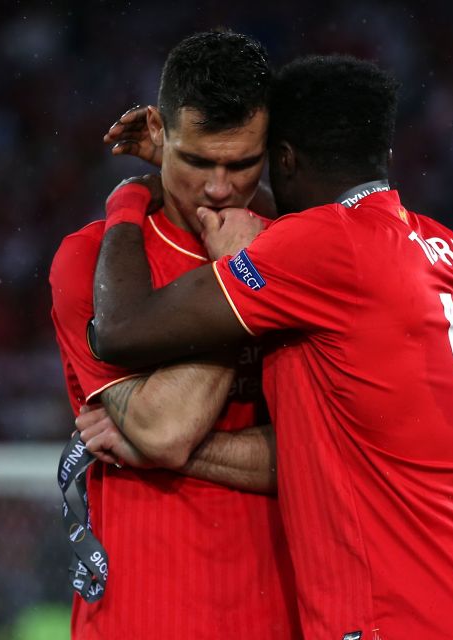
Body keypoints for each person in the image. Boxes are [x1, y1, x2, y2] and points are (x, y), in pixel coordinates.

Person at [85, 55, 453, 639]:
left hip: (398, 620)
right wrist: (187, 170)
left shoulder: (325, 249)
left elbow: (122, 327)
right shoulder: (441, 246)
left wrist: (130, 197)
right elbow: (313, 236)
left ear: (285, 160)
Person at [49, 31, 298, 639]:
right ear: (157, 134)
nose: (219, 188)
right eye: (196, 162)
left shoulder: (296, 259)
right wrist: (240, 281)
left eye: (242, 164)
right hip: (140, 617)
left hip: (279, 617)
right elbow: (165, 428)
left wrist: (247, 268)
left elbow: (317, 455)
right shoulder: (90, 263)